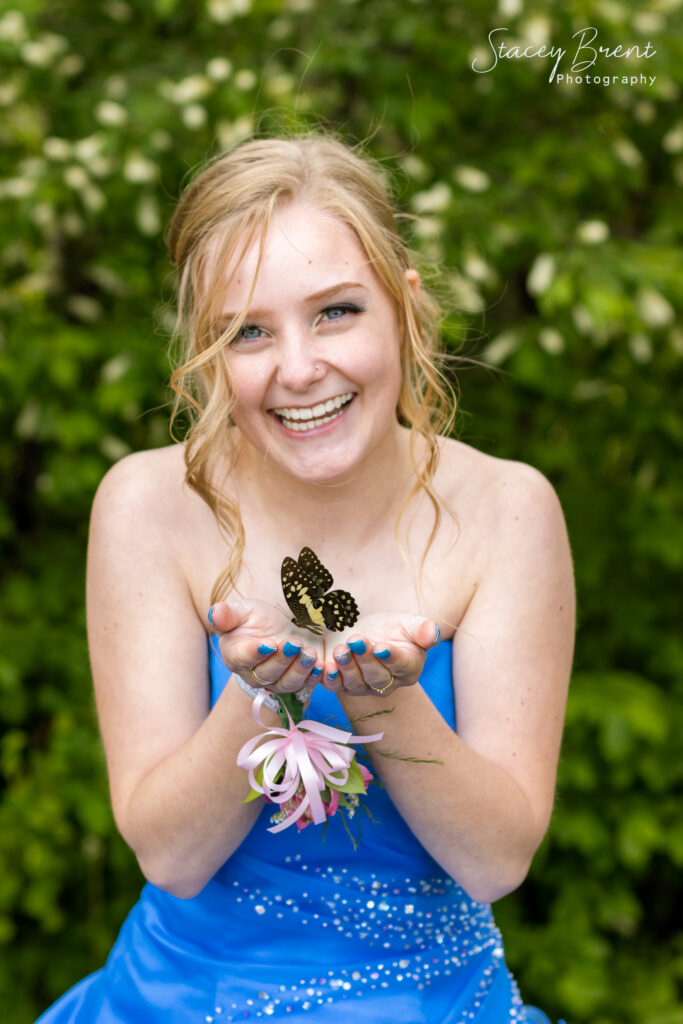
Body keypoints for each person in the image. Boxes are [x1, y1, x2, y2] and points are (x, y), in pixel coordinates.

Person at [36, 134, 574, 1023]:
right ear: (210, 356)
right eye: (248, 331)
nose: (297, 368)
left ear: (402, 307)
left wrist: (383, 700)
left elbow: (495, 862)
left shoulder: (508, 512)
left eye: (335, 312)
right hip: (180, 1001)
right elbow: (170, 855)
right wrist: (258, 693)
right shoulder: (146, 506)